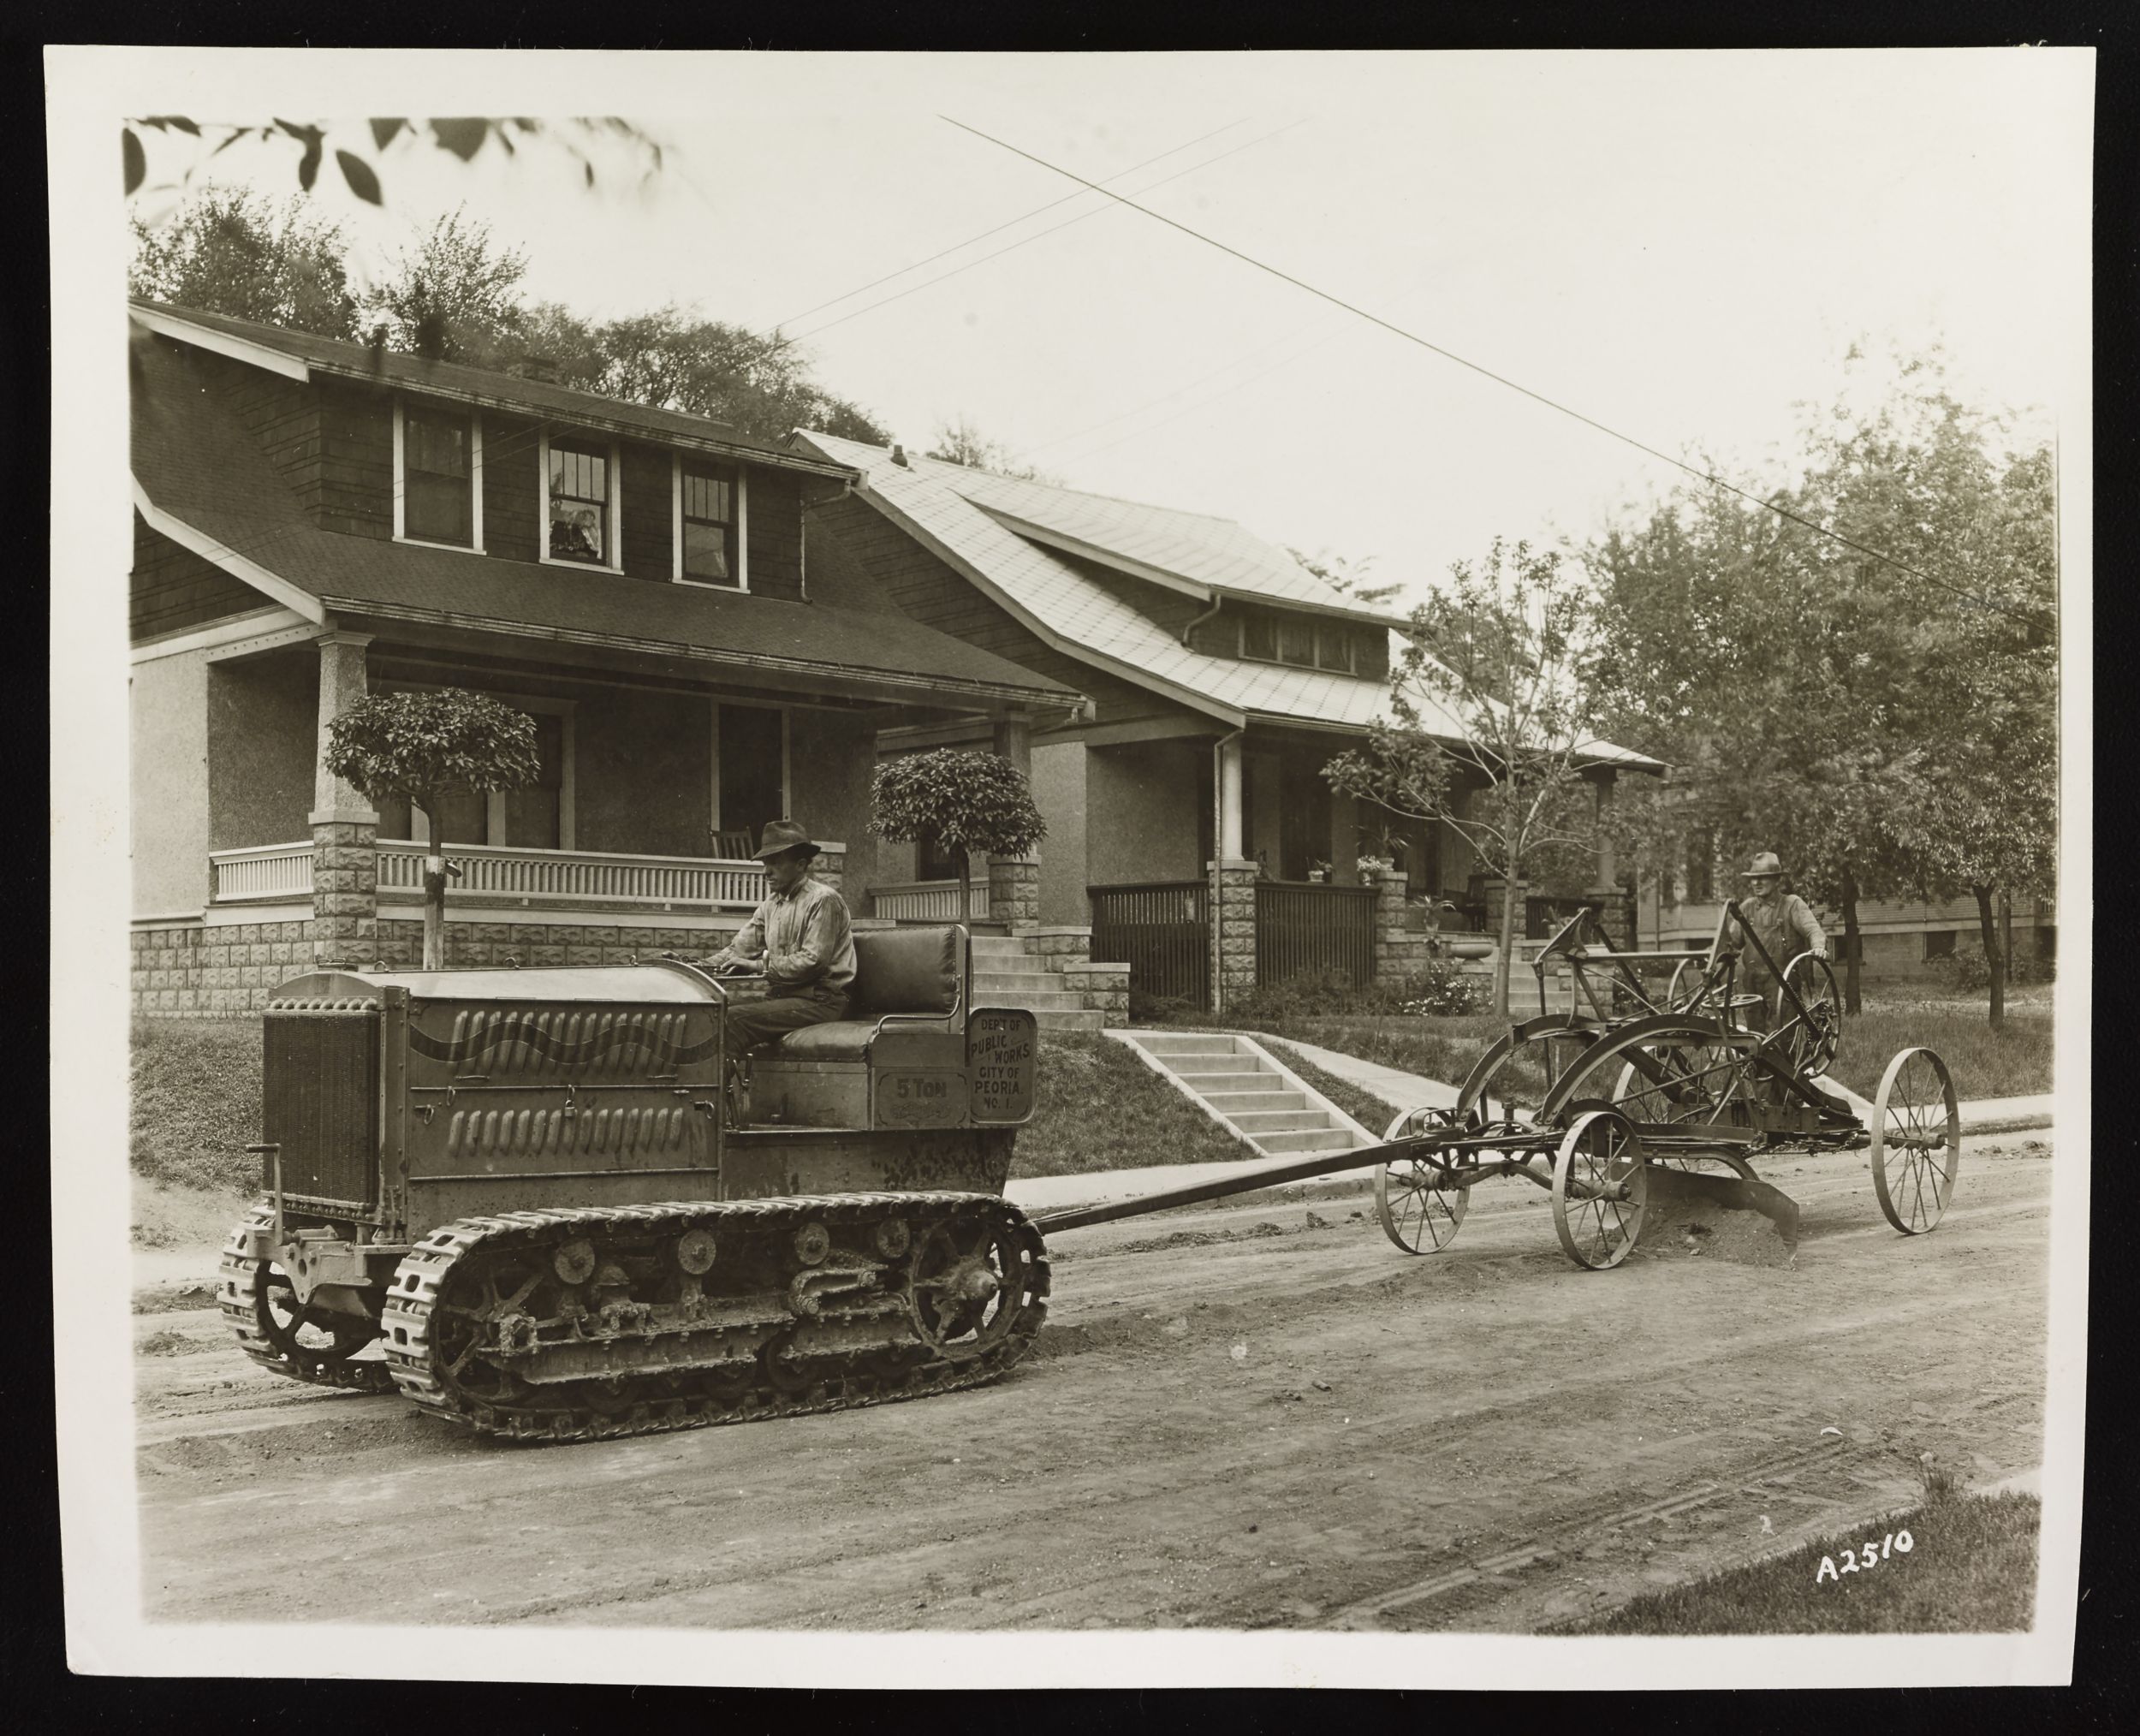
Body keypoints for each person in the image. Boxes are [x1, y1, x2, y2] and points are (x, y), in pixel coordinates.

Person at [695, 818, 857, 1061]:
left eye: (775, 863)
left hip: (823, 1000)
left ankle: (721, 1099)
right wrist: (695, 967)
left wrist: (758, 966)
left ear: (801, 864)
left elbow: (813, 961)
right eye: (764, 863)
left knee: (732, 1021)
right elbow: (736, 950)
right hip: (787, 999)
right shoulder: (771, 905)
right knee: (714, 1013)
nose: (766, 871)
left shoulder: (823, 900)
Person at [1710, 851, 1827, 1031]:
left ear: (1777, 880)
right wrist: (1710, 956)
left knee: (1782, 1035)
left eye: (1763, 878)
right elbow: (1731, 943)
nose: (1756, 883)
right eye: (1753, 878)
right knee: (1755, 1035)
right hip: (1752, 982)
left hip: (1782, 982)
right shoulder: (1747, 908)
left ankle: (1786, 1059)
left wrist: (1818, 947)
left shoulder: (1791, 905)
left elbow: (1813, 930)